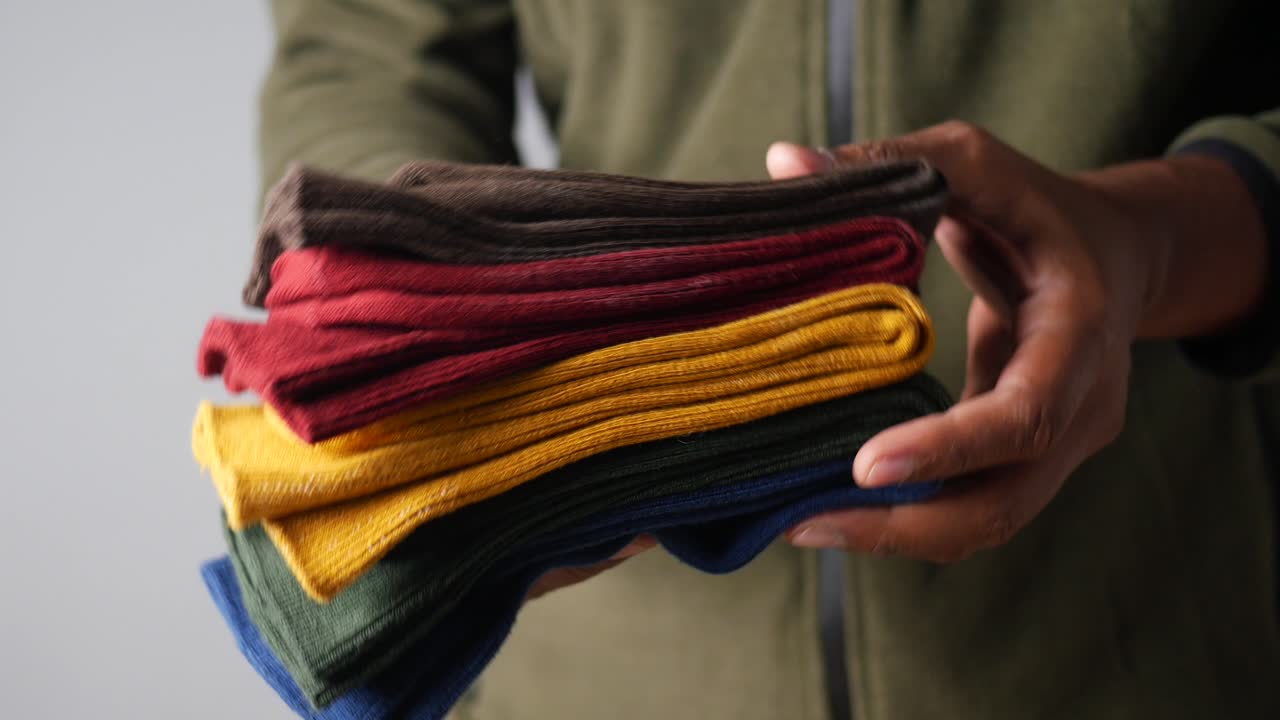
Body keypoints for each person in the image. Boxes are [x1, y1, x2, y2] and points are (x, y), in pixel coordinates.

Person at [256, 1, 1279, 717]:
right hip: (594, 658)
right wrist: (415, 307)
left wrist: (1157, 243)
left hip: (1156, 637)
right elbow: (367, 41)